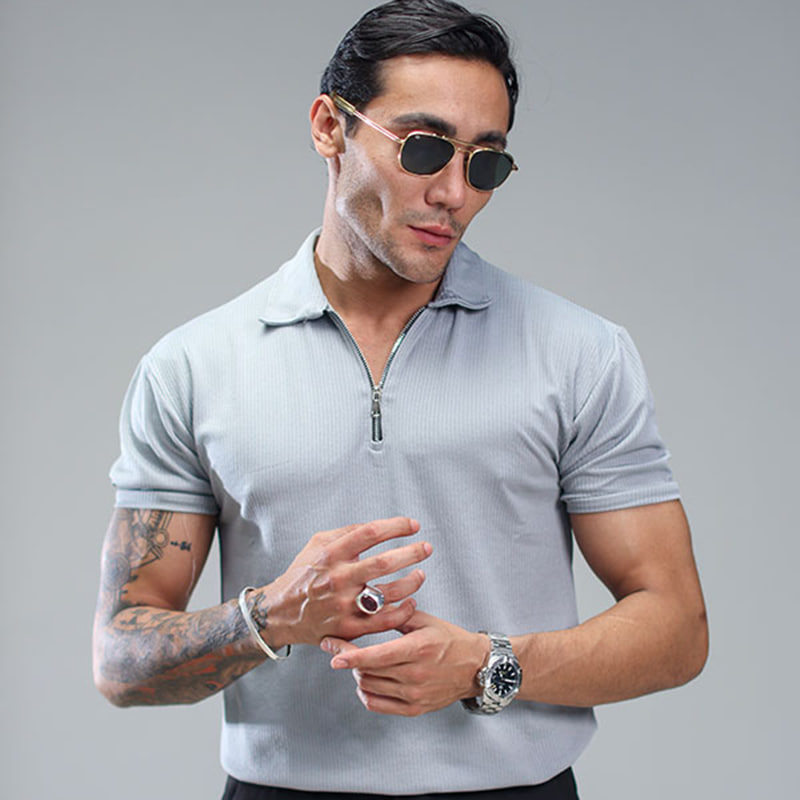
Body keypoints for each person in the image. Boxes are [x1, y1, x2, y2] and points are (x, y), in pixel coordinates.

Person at [92, 1, 708, 798]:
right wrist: (274, 613)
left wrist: (488, 665)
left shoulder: (579, 353)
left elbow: (677, 629)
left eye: (485, 164)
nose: (454, 192)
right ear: (330, 127)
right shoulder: (192, 366)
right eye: (424, 148)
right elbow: (121, 659)